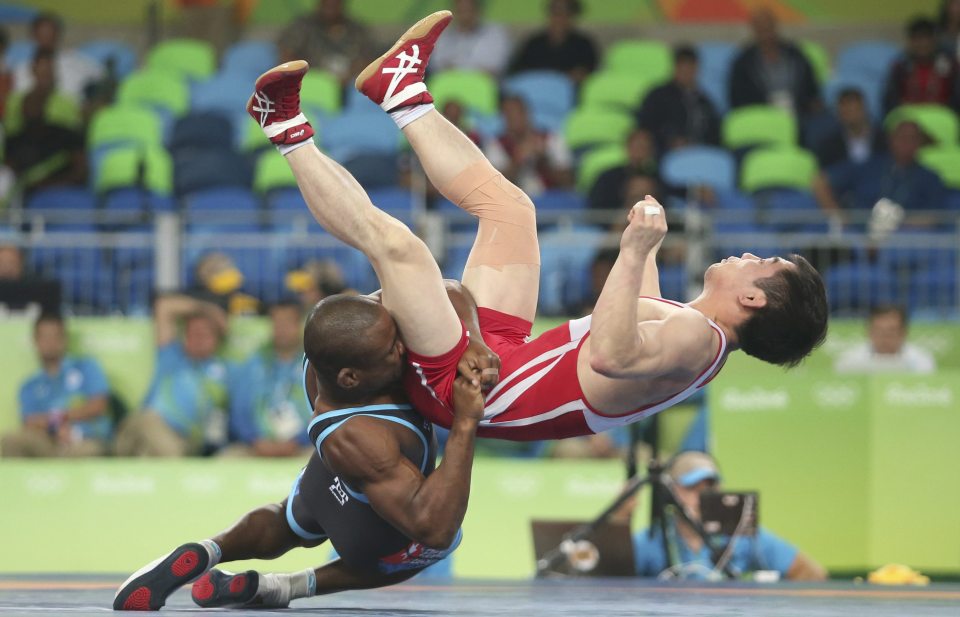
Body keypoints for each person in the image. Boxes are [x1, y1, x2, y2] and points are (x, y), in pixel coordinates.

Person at [247, 10, 828, 442]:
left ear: (753, 297)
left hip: (466, 390)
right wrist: (646, 253)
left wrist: (632, 249)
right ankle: (402, 94)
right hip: (501, 355)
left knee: (401, 249)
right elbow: (635, 314)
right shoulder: (694, 336)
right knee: (511, 209)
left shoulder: (701, 339)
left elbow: (611, 355)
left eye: (763, 263)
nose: (750, 255)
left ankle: (283, 125)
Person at [113, 294, 486, 611]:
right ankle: (287, 586)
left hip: (327, 481)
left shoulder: (339, 344)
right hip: (368, 526)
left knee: (287, 521)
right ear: (351, 378)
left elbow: (448, 290)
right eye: (391, 350)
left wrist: (476, 340)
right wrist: (465, 424)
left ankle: (210, 550)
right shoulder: (366, 435)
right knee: (439, 542)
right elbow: (434, 527)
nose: (402, 348)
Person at [632, 451, 828, 581]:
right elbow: (610, 580)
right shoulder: (652, 538)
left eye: (710, 487)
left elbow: (812, 573)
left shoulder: (740, 532)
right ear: (670, 491)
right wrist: (620, 521)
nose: (702, 497)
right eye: (691, 488)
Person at [114, 295, 232, 457]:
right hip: (144, 426)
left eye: (205, 335)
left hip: (184, 440)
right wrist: (208, 309)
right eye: (193, 333)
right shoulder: (171, 355)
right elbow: (164, 307)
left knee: (156, 443)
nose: (198, 339)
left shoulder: (224, 372)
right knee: (143, 424)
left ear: (217, 340)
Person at [1, 313, 111, 457]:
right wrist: (56, 428)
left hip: (85, 438)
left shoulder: (86, 367)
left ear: (64, 339)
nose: (50, 343)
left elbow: (98, 406)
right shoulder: (29, 385)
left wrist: (58, 419)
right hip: (48, 442)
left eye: (55, 336)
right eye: (44, 337)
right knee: (10, 441)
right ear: (35, 341)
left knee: (87, 451)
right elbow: (30, 422)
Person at [221, 300, 315, 457]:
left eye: (288, 323)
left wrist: (299, 441)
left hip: (302, 446)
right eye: (277, 323)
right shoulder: (251, 364)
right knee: (226, 459)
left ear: (299, 325)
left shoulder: (315, 365)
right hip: (255, 446)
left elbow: (325, 408)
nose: (282, 329)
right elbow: (239, 410)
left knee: (327, 464)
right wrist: (254, 440)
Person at [814, 120, 946, 215]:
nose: (906, 143)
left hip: (905, 239)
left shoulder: (930, 178)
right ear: (891, 140)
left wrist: (895, 223)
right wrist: (839, 218)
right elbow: (820, 182)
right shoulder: (869, 166)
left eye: (912, 139)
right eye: (902, 138)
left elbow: (934, 217)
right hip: (861, 236)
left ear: (920, 143)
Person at [5, 49, 86, 191]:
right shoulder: (15, 101)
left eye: (48, 72)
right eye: (41, 71)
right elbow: (11, 134)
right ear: (33, 70)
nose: (44, 77)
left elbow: (73, 140)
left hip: (56, 161)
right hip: (23, 158)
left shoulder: (68, 103)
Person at [728, 8, 820, 116]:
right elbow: (737, 100)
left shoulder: (796, 55)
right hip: (761, 117)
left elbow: (812, 89)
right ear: (753, 29)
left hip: (800, 113)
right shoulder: (743, 63)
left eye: (768, 26)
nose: (765, 31)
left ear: (776, 26)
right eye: (760, 27)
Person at [637, 45, 721, 157]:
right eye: (682, 67)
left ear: (696, 69)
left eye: (690, 67)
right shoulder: (657, 96)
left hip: (699, 154)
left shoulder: (704, 102)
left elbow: (714, 134)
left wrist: (695, 145)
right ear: (675, 68)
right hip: (663, 154)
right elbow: (646, 128)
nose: (686, 72)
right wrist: (669, 142)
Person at [482, 94, 573, 197]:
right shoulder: (496, 144)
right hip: (514, 202)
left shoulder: (550, 139)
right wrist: (517, 160)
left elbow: (568, 183)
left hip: (550, 202)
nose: (514, 119)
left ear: (527, 113)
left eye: (518, 113)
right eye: (509, 115)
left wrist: (544, 159)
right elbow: (495, 186)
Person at [276, 0, 375, 85]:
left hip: (350, 87)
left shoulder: (357, 30)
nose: (331, 3)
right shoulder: (302, 27)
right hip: (309, 85)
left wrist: (350, 75)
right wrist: (314, 76)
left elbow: (369, 61)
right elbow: (286, 57)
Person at [12, 12, 104, 100]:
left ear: (58, 35)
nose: (46, 41)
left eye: (50, 36)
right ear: (33, 36)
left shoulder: (78, 64)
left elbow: (102, 78)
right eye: (42, 36)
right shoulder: (21, 69)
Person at [507, 0, 598, 84]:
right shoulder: (533, 43)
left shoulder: (584, 45)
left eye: (565, 13)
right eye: (555, 12)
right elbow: (516, 73)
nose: (559, 18)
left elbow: (591, 75)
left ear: (572, 17)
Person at [884, 16, 960, 113]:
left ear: (934, 40)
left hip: (942, 117)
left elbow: (956, 98)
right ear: (910, 41)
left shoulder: (950, 66)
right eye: (917, 39)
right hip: (908, 118)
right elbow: (891, 100)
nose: (923, 44)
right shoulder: (900, 67)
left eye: (926, 38)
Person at [834, 305, 936, 374]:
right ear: (869, 332)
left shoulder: (922, 360)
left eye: (891, 331)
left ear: (904, 333)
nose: (885, 337)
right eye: (879, 331)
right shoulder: (849, 360)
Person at [431, 0, 511, 76]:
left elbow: (495, 68)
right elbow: (437, 66)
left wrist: (458, 69)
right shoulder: (443, 35)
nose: (465, 16)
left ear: (478, 11)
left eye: (468, 10)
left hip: (484, 84)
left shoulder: (494, 34)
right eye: (461, 11)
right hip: (448, 84)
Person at [587, 128, 659, 212]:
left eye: (644, 147)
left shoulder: (658, 178)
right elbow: (596, 210)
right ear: (627, 148)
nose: (640, 151)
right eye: (637, 146)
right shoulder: (608, 178)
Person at [814, 87, 886, 169]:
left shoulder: (885, 140)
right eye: (845, 112)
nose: (850, 115)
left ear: (864, 109)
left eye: (853, 110)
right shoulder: (828, 147)